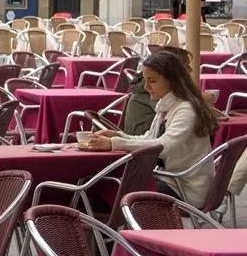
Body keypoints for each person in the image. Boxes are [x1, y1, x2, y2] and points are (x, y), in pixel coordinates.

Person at [88, 50, 218, 208]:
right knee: (101, 188)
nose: (146, 86)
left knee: (104, 191)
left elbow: (164, 146)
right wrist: (117, 135)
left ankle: (112, 230)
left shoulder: (185, 109)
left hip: (185, 189)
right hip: (172, 180)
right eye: (145, 80)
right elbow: (150, 137)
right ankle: (112, 229)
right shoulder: (168, 105)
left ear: (171, 81)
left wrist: (114, 143)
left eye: (152, 81)